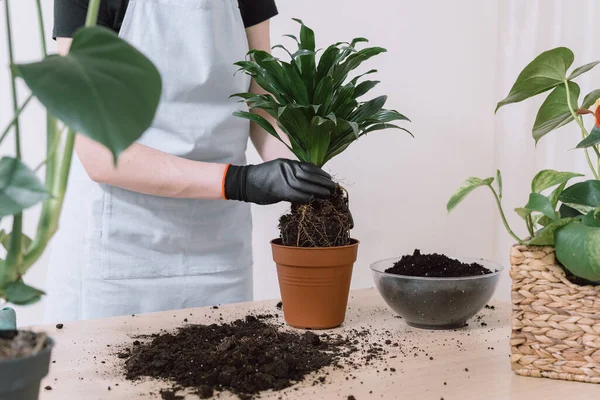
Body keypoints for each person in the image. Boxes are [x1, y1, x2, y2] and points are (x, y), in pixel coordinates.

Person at [44, 0, 336, 322]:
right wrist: (243, 181)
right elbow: (98, 151)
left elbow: (261, 99)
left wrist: (296, 168)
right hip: (124, 248)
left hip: (220, 247)